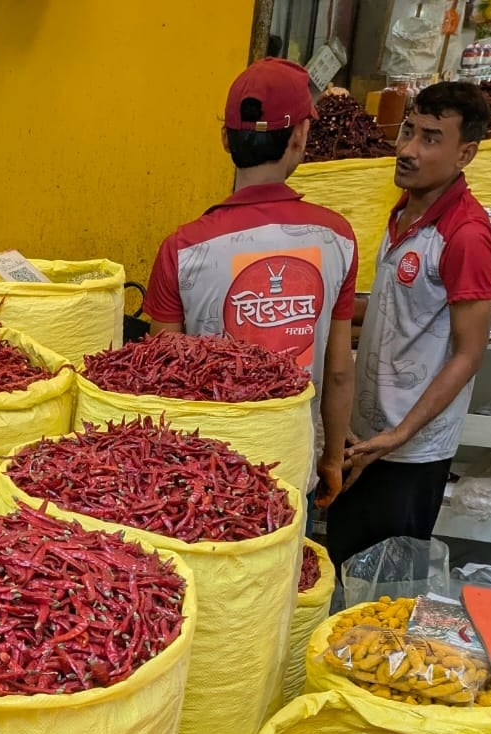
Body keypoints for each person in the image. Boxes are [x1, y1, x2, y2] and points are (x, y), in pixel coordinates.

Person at [143, 58, 358, 507]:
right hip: (292, 457)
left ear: (226, 139)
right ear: (299, 136)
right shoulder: (336, 237)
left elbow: (165, 378)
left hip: (205, 471)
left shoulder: (182, 248)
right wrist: (332, 457)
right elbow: (338, 371)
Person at [326, 81, 491, 566]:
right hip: (365, 434)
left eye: (429, 138)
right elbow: (393, 307)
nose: (407, 149)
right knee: (343, 559)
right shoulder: (406, 209)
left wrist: (401, 435)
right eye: (407, 130)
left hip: (410, 451)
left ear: (465, 154)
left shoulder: (465, 235)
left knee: (387, 587)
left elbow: (470, 353)